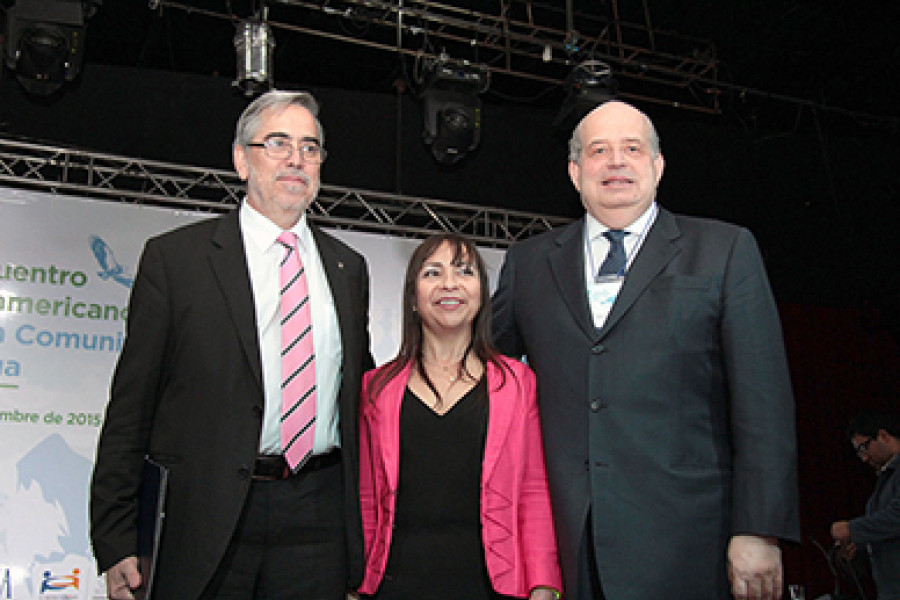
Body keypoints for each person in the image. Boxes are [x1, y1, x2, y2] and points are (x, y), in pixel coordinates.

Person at [491, 100, 800, 600]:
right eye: (599, 150)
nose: (616, 161)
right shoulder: (528, 263)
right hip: (571, 546)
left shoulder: (724, 250)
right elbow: (483, 373)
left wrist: (759, 528)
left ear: (657, 166)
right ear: (575, 172)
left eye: (632, 148)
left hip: (692, 543)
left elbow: (763, 402)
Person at [90, 90, 373, 600]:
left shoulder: (347, 268)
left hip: (318, 517)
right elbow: (131, 407)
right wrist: (115, 537)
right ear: (242, 160)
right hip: (207, 516)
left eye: (309, 147)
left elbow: (358, 398)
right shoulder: (176, 261)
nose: (296, 159)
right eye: (278, 143)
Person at [357, 233, 563, 600]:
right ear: (413, 298)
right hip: (396, 583)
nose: (449, 283)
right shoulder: (376, 387)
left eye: (465, 271)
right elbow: (366, 497)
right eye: (432, 273)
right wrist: (357, 582)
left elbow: (534, 490)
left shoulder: (517, 382)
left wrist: (544, 583)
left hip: (491, 585)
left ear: (482, 294)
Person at [830, 410, 900, 600]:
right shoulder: (885, 480)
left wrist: (851, 529)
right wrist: (856, 547)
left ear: (883, 436)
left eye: (864, 448)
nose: (864, 458)